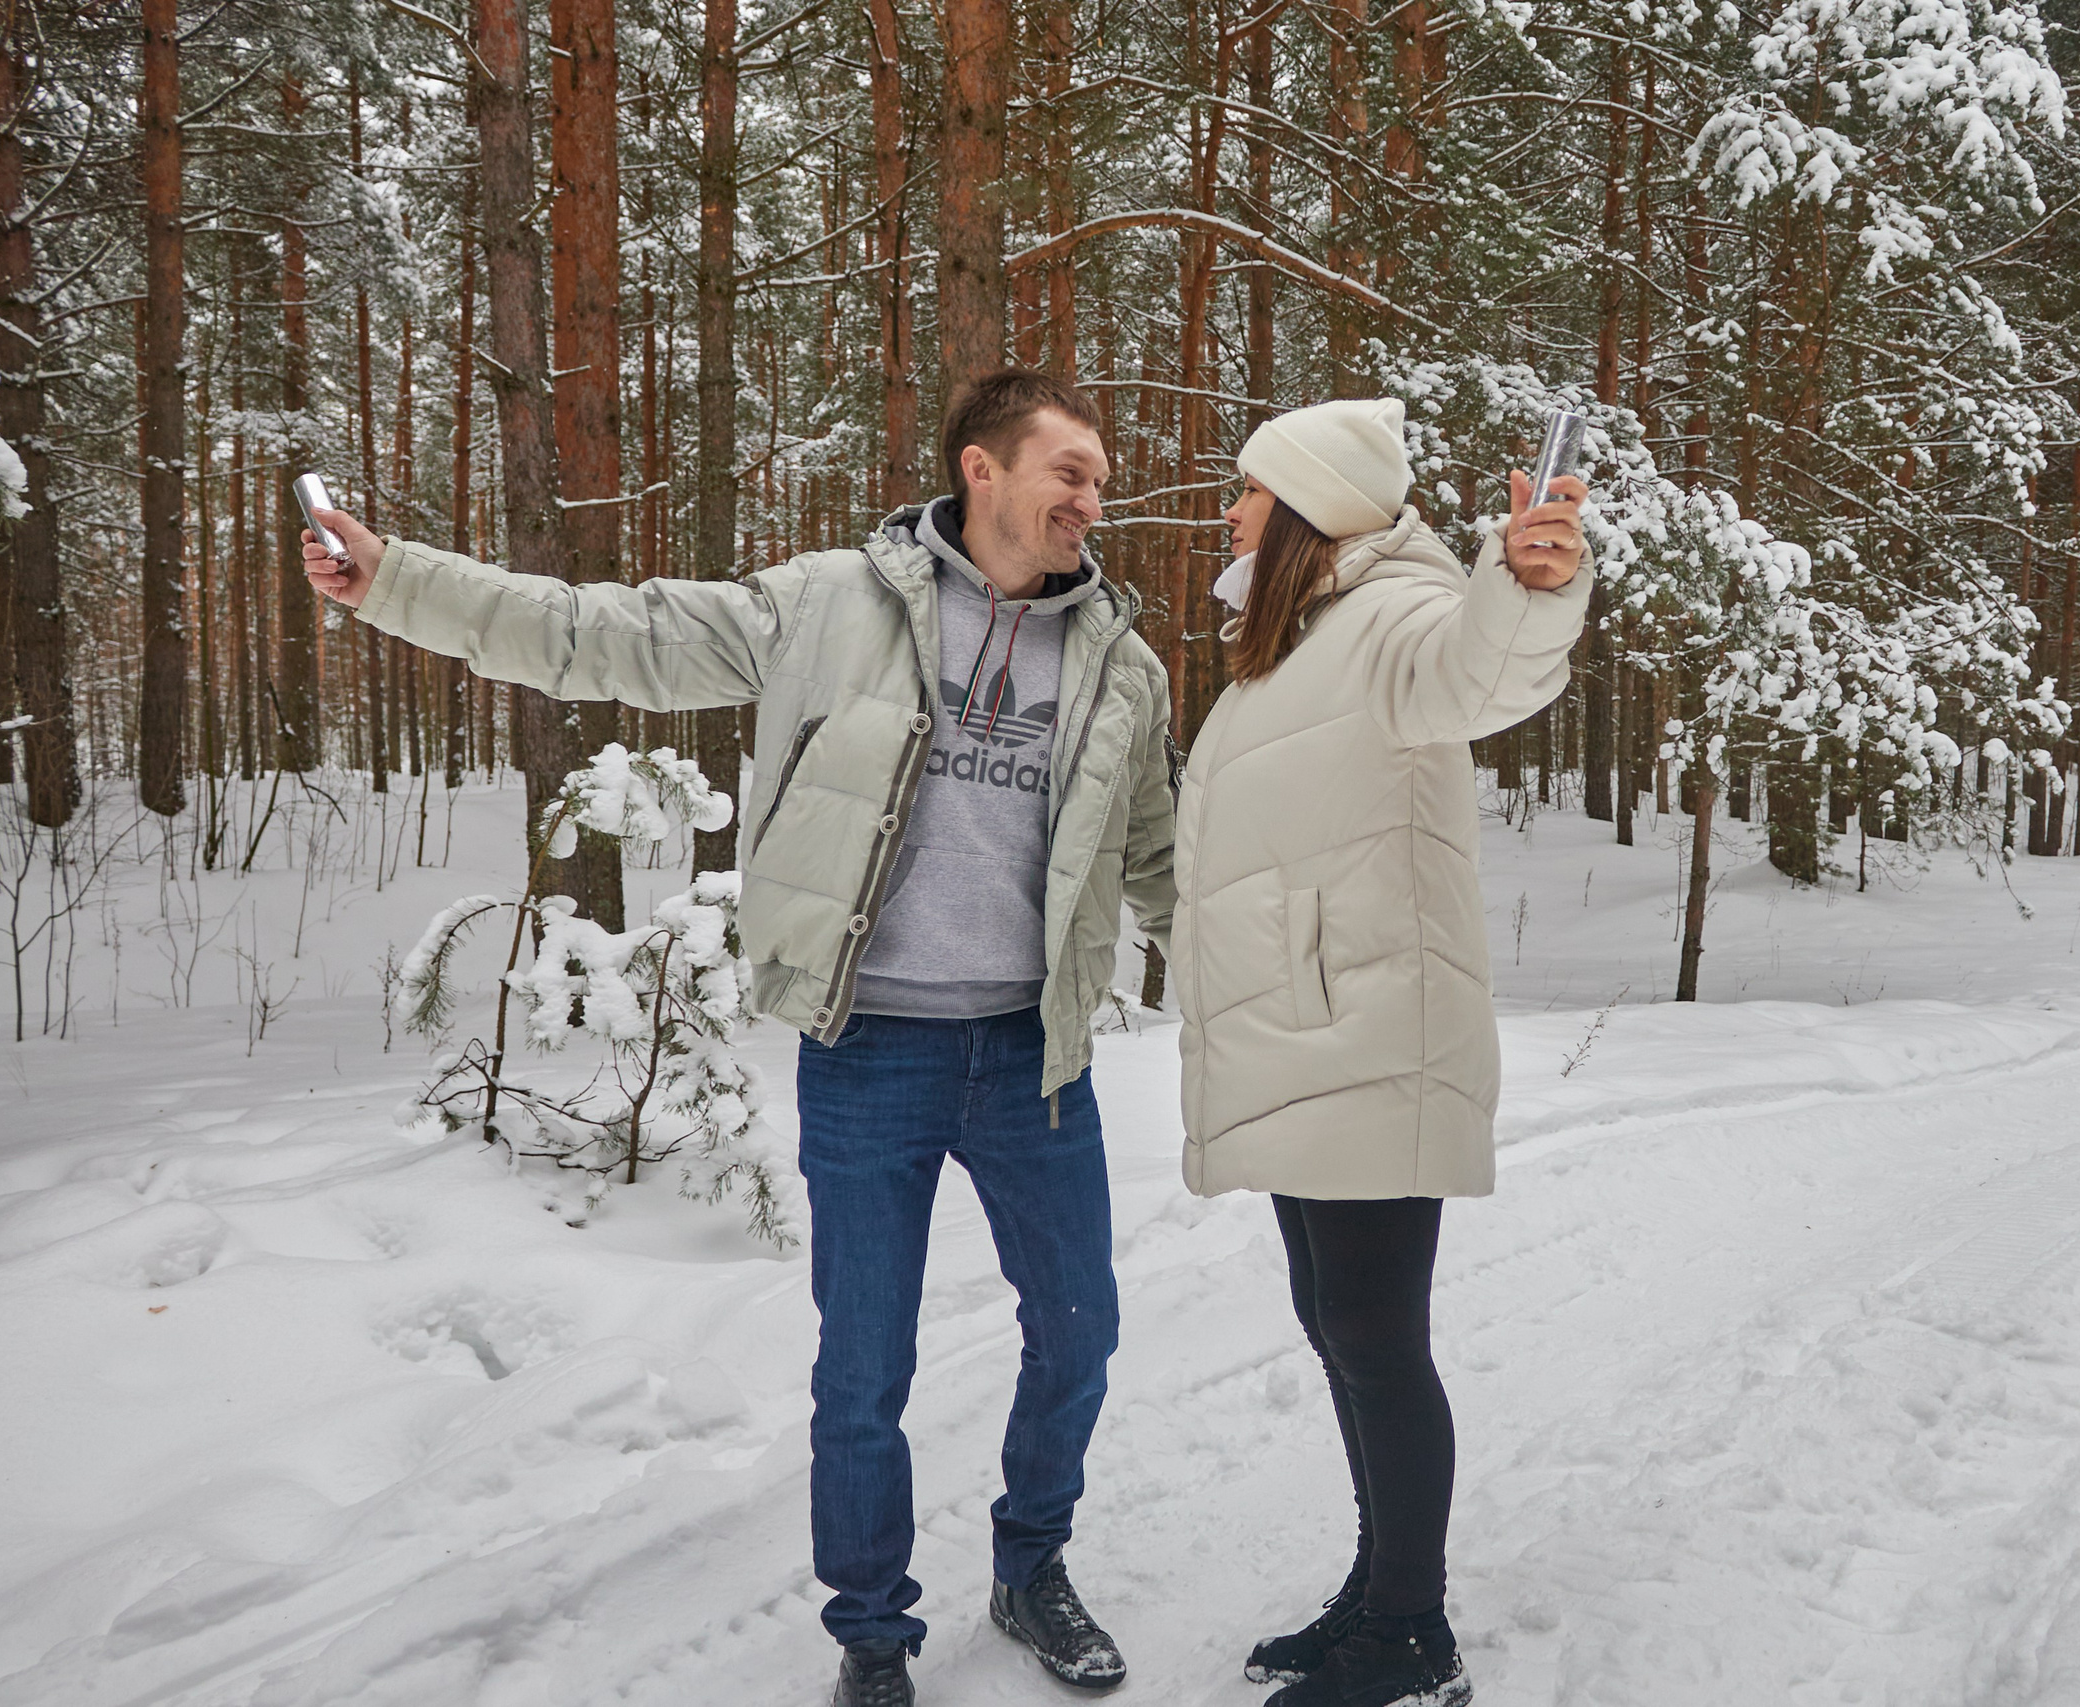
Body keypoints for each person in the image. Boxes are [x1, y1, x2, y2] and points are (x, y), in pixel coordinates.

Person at [300, 369, 1177, 1707]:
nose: (1092, 500)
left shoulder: (1122, 660)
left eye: (1101, 480)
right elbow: (608, 634)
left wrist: (1297, 957)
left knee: (1081, 1332)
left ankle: (1032, 1561)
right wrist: (397, 579)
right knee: (863, 1365)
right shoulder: (833, 604)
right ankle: (873, 1632)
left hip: (1031, 1057)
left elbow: (1168, 859)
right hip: (871, 1045)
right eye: (1070, 471)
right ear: (981, 470)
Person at [1168, 397, 1592, 1707]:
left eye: (1247, 492)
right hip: (1312, 1033)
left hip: (1369, 1032)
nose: (1227, 513)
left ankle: (1413, 1634)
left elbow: (1483, 665)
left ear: (1304, 509)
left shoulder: (1398, 612)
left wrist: (1524, 586)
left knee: (1374, 1327)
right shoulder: (1303, 636)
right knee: (1336, 1318)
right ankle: (1375, 1588)